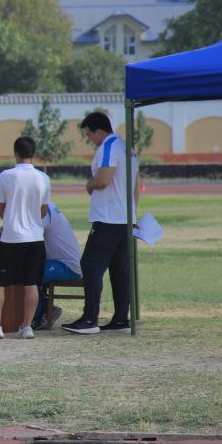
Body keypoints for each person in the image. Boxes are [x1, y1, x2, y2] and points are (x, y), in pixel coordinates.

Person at [64, 112, 140, 335]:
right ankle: (120, 319)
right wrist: (132, 215)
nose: (90, 141)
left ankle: (90, 319)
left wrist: (89, 185)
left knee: (90, 266)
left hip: (108, 217)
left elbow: (104, 179)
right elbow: (135, 185)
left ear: (99, 131)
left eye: (89, 135)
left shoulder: (109, 146)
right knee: (120, 269)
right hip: (125, 217)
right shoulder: (129, 149)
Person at [0, 136, 51, 339]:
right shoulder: (43, 178)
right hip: (35, 237)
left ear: (15, 153)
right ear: (34, 154)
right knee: (31, 283)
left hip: (11, 237)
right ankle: (27, 326)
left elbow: (0, 207)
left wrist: (11, 219)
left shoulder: (6, 176)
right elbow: (43, 210)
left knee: (0, 282)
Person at [33, 202, 81, 330]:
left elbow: (30, 233)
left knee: (30, 275)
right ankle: (44, 309)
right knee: (30, 271)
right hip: (61, 262)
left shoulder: (44, 210)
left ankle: (42, 314)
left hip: (66, 265)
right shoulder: (47, 206)